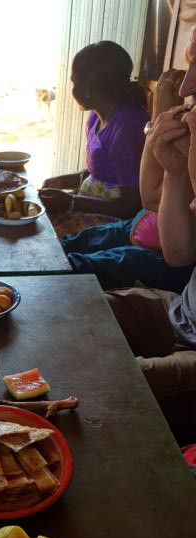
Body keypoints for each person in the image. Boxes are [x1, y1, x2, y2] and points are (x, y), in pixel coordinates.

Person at [106, 27, 196, 441]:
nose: (188, 86)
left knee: (110, 381)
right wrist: (176, 172)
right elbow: (180, 253)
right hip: (182, 315)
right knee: (85, 313)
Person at [60, 69, 195, 294]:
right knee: (66, 245)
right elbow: (151, 198)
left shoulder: (127, 123)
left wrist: (159, 115)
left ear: (90, 89)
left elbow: (146, 199)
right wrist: (160, 120)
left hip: (165, 250)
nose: (184, 89)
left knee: (78, 267)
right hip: (143, 223)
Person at [39, 41, 150, 238]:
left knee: (43, 237)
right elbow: (99, 172)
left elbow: (132, 207)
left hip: (111, 224)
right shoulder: (96, 118)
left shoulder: (128, 128)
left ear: (88, 89)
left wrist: (70, 201)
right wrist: (61, 181)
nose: (72, 89)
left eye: (74, 82)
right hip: (89, 209)